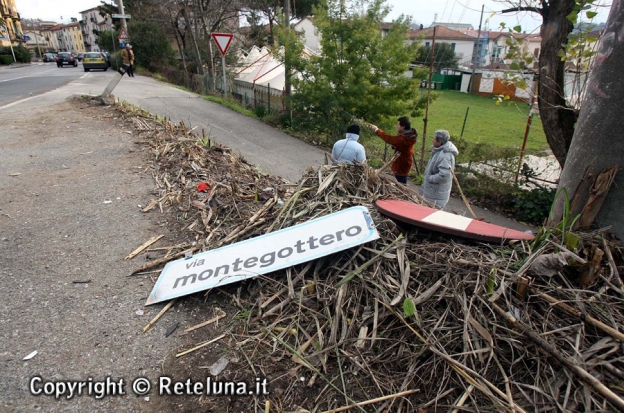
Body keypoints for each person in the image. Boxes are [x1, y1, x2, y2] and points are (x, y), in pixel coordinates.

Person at [369, 116, 418, 184]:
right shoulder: (407, 136)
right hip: (403, 162)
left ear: (403, 126)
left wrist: (377, 130)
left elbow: (390, 139)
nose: (397, 126)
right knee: (400, 181)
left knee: (401, 183)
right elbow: (400, 145)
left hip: (402, 163)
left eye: (398, 124)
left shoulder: (404, 138)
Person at [420, 130, 459, 209]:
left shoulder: (445, 155)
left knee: (430, 215)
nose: (432, 140)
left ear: (440, 142)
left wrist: (430, 178)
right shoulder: (439, 151)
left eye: (434, 139)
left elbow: (444, 175)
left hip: (435, 196)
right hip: (432, 193)